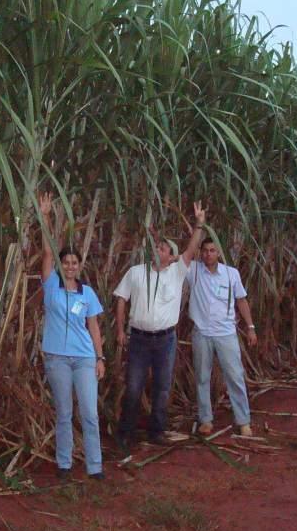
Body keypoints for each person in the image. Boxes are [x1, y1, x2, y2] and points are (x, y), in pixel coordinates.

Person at [113, 202, 207, 458]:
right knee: (133, 387)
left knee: (163, 387)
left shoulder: (176, 273)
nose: (158, 249)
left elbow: (191, 249)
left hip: (165, 339)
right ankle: (125, 434)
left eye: (163, 248)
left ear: (170, 256)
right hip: (139, 340)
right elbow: (121, 299)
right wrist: (121, 330)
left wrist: (198, 224)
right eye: (157, 246)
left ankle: (156, 431)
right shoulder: (135, 273)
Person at [39, 192, 106, 480]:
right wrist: (45, 217)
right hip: (57, 358)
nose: (69, 266)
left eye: (74, 263)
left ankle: (95, 466)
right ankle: (64, 464)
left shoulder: (87, 293)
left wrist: (100, 358)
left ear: (79, 266)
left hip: (84, 359)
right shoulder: (51, 286)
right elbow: (47, 254)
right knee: (64, 413)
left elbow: (94, 327)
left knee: (89, 414)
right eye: (65, 262)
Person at [185, 235, 258, 437]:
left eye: (212, 250)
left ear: (219, 252)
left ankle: (243, 421)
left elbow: (241, 301)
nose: (208, 254)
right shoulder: (193, 271)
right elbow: (182, 257)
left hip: (226, 334)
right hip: (202, 333)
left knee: (235, 376)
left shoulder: (231, 274)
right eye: (205, 250)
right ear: (201, 252)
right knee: (201, 376)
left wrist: (250, 327)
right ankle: (205, 419)